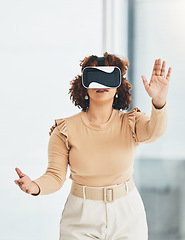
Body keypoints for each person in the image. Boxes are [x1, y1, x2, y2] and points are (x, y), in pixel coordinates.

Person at [14, 52, 172, 240]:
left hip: (128, 214)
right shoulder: (64, 130)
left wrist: (159, 101)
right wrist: (34, 186)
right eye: (95, 77)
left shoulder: (131, 122)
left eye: (108, 77)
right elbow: (55, 176)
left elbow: (155, 132)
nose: (102, 84)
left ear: (117, 88)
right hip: (81, 216)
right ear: (84, 87)